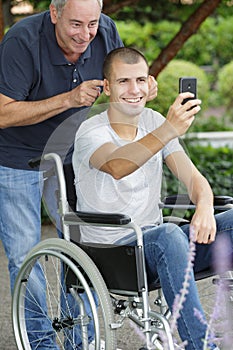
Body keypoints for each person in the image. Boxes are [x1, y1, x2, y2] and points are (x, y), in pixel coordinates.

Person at [0, 1, 157, 348]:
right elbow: (2, 114)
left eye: (92, 24)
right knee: (25, 254)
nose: (85, 34)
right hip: (15, 156)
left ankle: (78, 335)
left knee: (80, 243)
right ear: (54, 14)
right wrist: (68, 99)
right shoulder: (21, 41)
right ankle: (39, 341)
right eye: (75, 24)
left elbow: (118, 79)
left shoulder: (105, 29)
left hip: (71, 153)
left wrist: (139, 86)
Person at [72, 47, 233, 349]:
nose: (134, 90)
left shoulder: (152, 121)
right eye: (123, 82)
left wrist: (205, 207)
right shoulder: (90, 131)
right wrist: (168, 130)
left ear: (149, 83)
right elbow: (117, 165)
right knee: (168, 233)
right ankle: (201, 345)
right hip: (112, 251)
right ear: (106, 87)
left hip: (156, 244)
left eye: (140, 80)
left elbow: (194, 179)